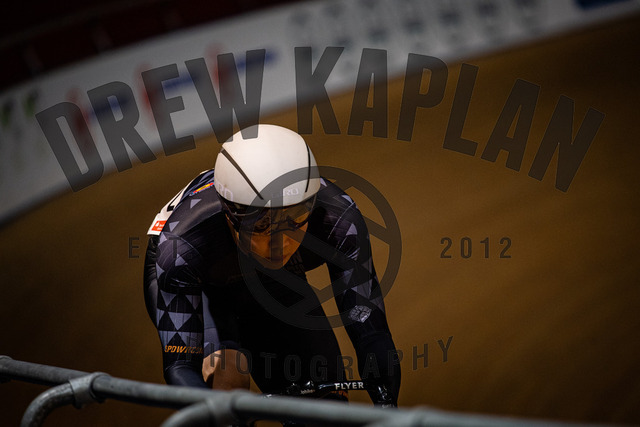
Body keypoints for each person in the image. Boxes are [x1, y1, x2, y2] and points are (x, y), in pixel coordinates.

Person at [143, 124, 401, 407]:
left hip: (273, 277)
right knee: (227, 381)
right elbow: (181, 367)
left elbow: (371, 333)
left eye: (295, 219)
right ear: (230, 215)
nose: (281, 244)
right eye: (262, 225)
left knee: (326, 398)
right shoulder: (181, 248)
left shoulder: (339, 219)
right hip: (202, 284)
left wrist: (386, 401)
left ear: (312, 203)